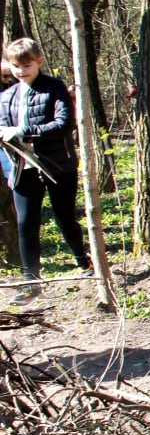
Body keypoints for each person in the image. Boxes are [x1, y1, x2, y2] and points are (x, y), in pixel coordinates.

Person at [0, 38, 92, 306]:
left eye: (26, 65)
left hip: (57, 165)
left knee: (64, 218)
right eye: (16, 66)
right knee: (25, 223)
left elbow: (64, 124)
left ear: (39, 62)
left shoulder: (54, 87)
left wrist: (25, 131)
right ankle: (31, 282)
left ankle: (83, 260)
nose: (21, 71)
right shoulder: (7, 96)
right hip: (22, 167)